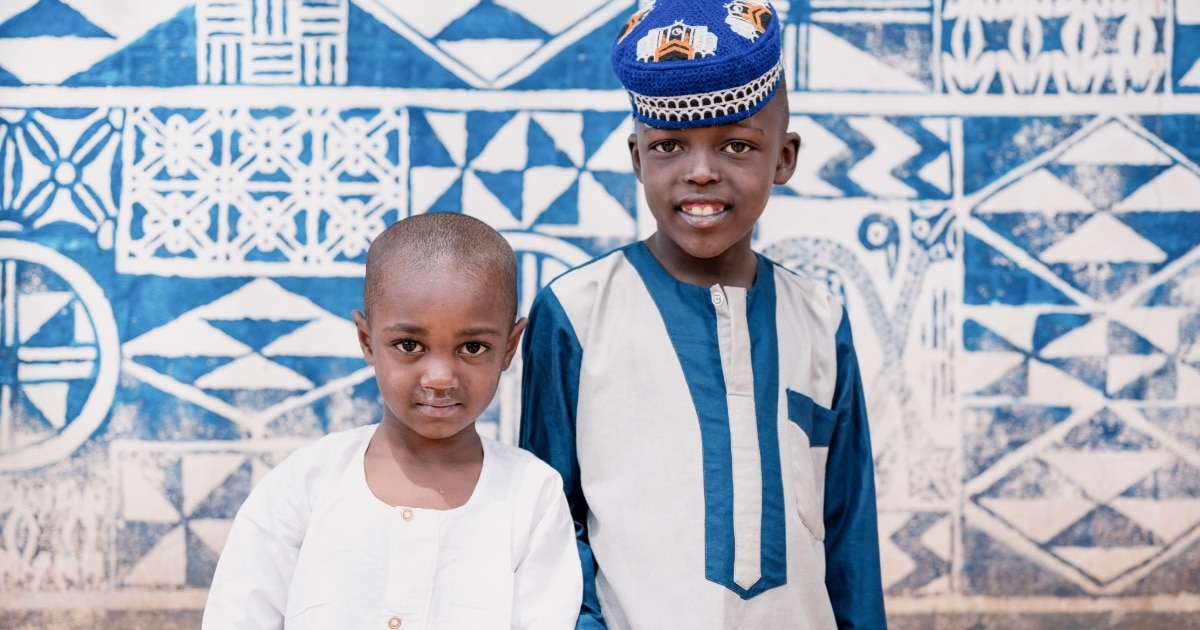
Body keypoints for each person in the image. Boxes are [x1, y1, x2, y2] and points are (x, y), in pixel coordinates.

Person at [519, 1, 887, 627]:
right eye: (668, 146)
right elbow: (551, 520)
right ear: (637, 158)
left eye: (737, 145)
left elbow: (850, 536)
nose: (701, 173)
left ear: (784, 158)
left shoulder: (822, 323)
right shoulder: (577, 313)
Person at [203, 212, 582, 629]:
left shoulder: (531, 498)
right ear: (367, 341)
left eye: (472, 347)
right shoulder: (305, 485)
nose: (440, 377)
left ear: (509, 348)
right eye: (408, 345)